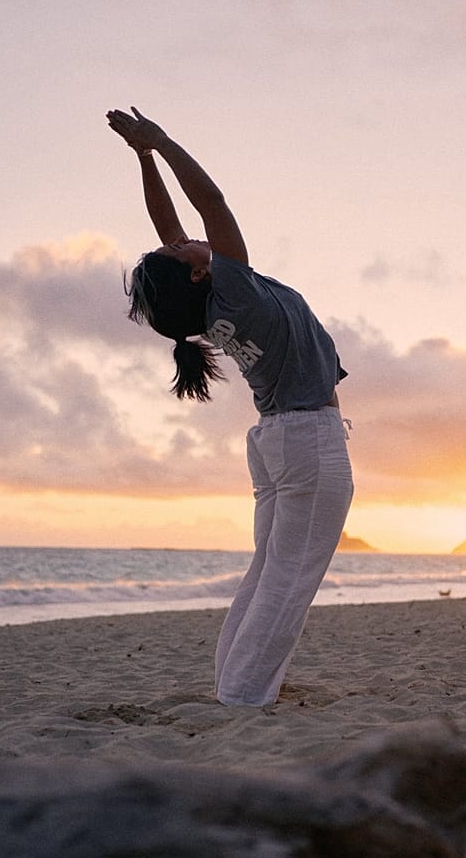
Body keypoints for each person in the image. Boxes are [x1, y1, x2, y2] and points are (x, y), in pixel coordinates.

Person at [106, 105, 354, 706]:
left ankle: (233, 687)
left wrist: (142, 159)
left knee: (267, 576)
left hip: (277, 441)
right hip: (307, 442)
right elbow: (211, 203)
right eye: (184, 249)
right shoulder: (232, 289)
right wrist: (163, 142)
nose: (189, 240)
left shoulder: (211, 305)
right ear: (194, 273)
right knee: (287, 583)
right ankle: (243, 699)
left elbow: (171, 227)